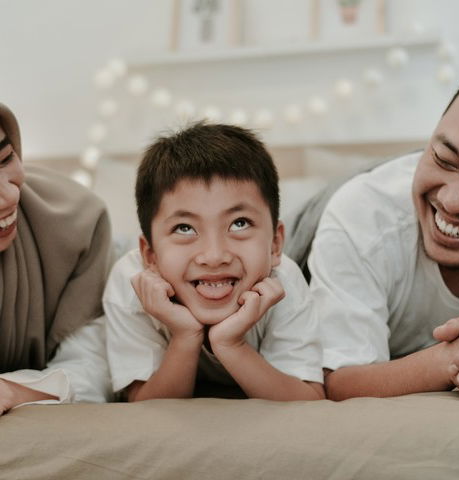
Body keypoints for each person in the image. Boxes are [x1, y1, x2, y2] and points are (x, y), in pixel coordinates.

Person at [104, 123, 324, 401]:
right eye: (185, 228)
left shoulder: (284, 283)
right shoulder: (131, 285)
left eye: (239, 223)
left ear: (276, 244)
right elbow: (144, 403)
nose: (214, 256)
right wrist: (184, 337)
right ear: (150, 256)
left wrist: (232, 344)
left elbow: (310, 400)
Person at [304, 74, 459, 402]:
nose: (455, 202)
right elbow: (338, 380)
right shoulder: (363, 214)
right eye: (444, 160)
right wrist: (452, 360)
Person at [0, 103, 114, 414]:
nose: (9, 196)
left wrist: (11, 391)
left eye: (5, 159)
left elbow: (92, 373)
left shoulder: (78, 223)